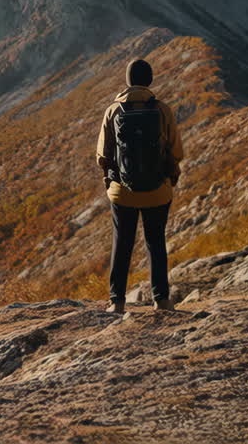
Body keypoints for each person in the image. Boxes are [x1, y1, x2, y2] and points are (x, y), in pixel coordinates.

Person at [96, 58, 184, 314]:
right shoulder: (162, 110)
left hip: (122, 193)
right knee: (155, 242)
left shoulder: (113, 111)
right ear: (150, 81)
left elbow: (102, 155)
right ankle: (162, 300)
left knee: (122, 242)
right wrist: (169, 176)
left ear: (127, 81)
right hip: (158, 191)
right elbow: (176, 151)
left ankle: (117, 302)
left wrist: (113, 181)